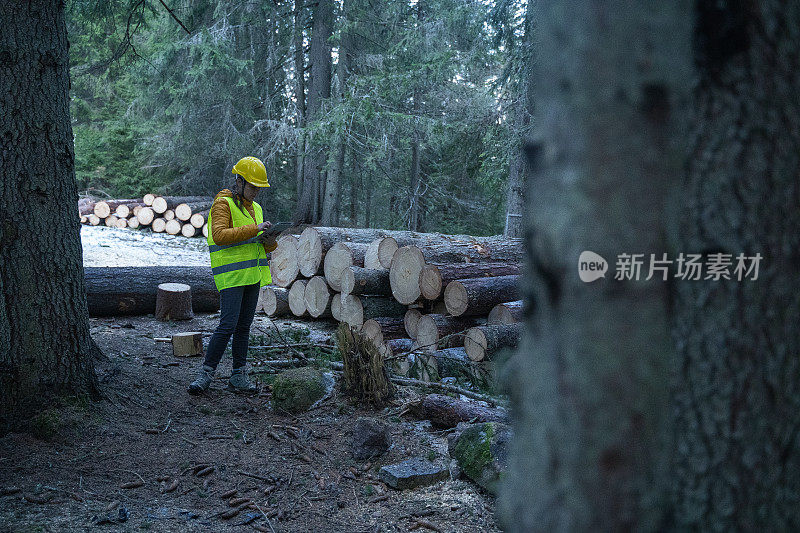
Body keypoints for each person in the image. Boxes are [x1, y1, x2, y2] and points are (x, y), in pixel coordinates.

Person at [188, 156, 276, 394]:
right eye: (253, 186)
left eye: (260, 188)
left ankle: (238, 375)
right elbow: (219, 235)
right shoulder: (223, 204)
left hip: (252, 275)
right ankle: (205, 376)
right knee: (227, 325)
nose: (257, 192)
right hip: (232, 277)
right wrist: (255, 229)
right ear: (240, 181)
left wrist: (269, 241)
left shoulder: (256, 208)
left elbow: (257, 244)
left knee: (244, 327)